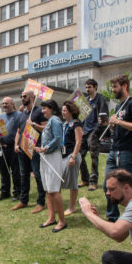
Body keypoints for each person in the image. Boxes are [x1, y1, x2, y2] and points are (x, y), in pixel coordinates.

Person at [104, 75, 132, 222]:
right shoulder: (118, 106)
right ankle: (113, 217)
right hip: (115, 149)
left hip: (127, 151)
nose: (113, 90)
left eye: (115, 87)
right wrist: (113, 125)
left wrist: (119, 122)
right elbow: (121, 126)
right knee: (107, 186)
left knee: (127, 187)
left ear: (124, 86)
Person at [34, 100, 66, 232]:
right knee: (47, 190)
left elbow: (58, 138)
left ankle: (62, 221)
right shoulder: (50, 121)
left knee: (54, 190)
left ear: (51, 108)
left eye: (44, 108)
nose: (42, 111)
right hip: (45, 157)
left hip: (52, 156)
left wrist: (45, 148)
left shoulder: (55, 120)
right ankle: (51, 217)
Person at [13, 90, 48, 213]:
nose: (22, 98)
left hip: (35, 148)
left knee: (37, 174)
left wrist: (33, 124)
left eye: (24, 96)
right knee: (23, 175)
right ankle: (24, 200)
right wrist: (16, 144)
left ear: (32, 97)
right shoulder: (21, 114)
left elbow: (46, 128)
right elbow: (18, 131)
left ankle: (41, 202)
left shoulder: (39, 111)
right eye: (21, 96)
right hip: (22, 148)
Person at [79, 79, 108, 191]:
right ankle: (85, 179)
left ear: (95, 87)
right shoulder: (85, 100)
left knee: (93, 156)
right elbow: (81, 116)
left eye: (89, 87)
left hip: (94, 131)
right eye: (86, 87)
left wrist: (97, 130)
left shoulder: (100, 99)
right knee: (79, 156)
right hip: (84, 131)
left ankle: (93, 181)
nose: (87, 89)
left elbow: (103, 116)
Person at [0, 97, 21, 202]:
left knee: (15, 171)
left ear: (12, 104)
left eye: (7, 103)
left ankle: (17, 192)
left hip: (13, 148)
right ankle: (5, 192)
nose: (4, 105)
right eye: (3, 103)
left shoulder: (19, 115)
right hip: (1, 148)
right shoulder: (0, 117)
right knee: (3, 172)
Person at [60, 101, 83, 217]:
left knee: (73, 182)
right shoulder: (64, 125)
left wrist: (73, 157)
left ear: (71, 111)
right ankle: (57, 206)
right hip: (63, 156)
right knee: (58, 181)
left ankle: (72, 207)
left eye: (64, 110)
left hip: (72, 156)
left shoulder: (76, 124)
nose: (62, 112)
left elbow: (78, 141)